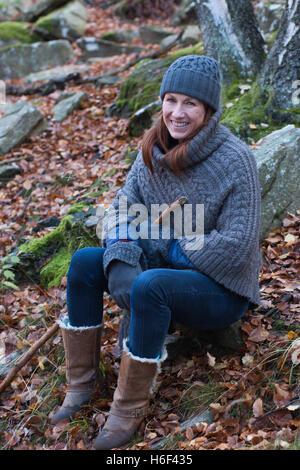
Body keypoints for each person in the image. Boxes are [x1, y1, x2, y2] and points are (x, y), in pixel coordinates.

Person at [49, 55, 262, 450]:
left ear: (209, 110)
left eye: (191, 104)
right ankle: (82, 384)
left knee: (150, 283)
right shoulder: (152, 148)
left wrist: (162, 245)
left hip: (221, 289)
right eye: (172, 100)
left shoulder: (236, 160)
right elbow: (120, 209)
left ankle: (126, 410)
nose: (177, 113)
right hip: (162, 268)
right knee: (84, 262)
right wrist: (124, 249)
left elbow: (235, 246)